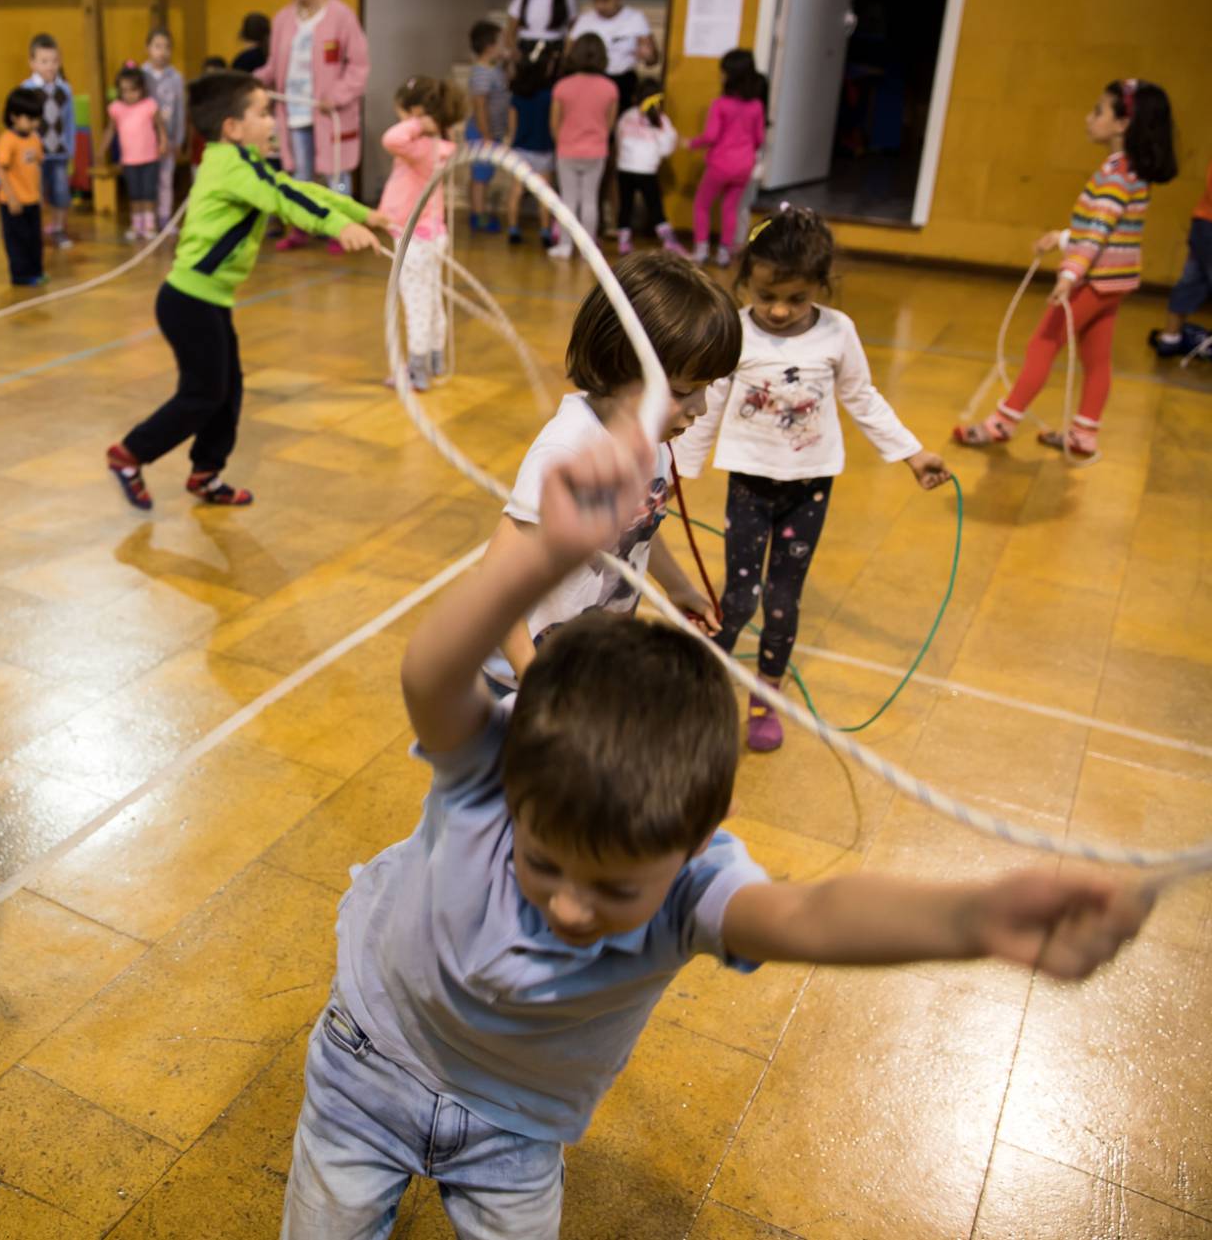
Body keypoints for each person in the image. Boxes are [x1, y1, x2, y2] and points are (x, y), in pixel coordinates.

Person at [281, 416, 1153, 1237]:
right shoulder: (497, 765)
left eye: (617, 887)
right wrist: (537, 556)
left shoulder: (694, 888)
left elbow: (811, 917)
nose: (573, 909)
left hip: (517, 1130)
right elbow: (430, 673)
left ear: (699, 840)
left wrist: (969, 921)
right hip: (368, 1061)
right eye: (544, 864)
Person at [673, 206, 949, 751]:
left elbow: (862, 397)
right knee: (739, 598)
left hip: (809, 487)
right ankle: (701, 692)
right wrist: (679, 467)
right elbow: (711, 398)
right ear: (745, 278)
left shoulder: (837, 333)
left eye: (796, 299)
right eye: (765, 294)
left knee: (782, 600)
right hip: (750, 485)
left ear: (821, 287)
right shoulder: (737, 332)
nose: (778, 310)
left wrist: (911, 453)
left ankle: (764, 697)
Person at [104, 71, 384, 511]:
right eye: (263, 113)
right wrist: (338, 226)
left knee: (228, 389)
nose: (273, 122)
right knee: (202, 394)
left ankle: (206, 473)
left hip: (208, 301)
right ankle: (129, 454)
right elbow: (285, 200)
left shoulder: (238, 163)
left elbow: (295, 189)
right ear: (232, 128)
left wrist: (362, 214)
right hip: (189, 301)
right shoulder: (233, 166)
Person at [479, 250, 731, 697]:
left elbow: (636, 529)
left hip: (585, 663)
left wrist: (679, 589)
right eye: (684, 391)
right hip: (522, 677)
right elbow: (495, 589)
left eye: (708, 389)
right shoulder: (566, 453)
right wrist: (533, 681)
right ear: (620, 367)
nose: (702, 408)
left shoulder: (648, 445)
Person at [955, 79, 1178, 463]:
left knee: (1042, 343)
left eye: (1099, 111)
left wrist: (1068, 276)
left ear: (1122, 124)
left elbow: (1096, 233)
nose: (1089, 118)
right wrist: (1060, 238)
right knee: (1098, 358)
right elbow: (1105, 226)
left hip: (1093, 281)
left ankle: (1003, 423)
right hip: (1116, 281)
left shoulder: (1114, 174)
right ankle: (1084, 435)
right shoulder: (1131, 171)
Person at [255, 0, 371, 253]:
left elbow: (359, 66)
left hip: (329, 114)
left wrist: (338, 95)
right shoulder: (282, 20)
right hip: (293, 113)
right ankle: (302, 227)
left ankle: (342, 230)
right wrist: (254, 81)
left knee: (337, 176)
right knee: (301, 176)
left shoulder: (341, 16)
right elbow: (274, 66)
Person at [381, 76, 465, 392]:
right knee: (430, 301)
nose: (401, 123)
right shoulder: (440, 147)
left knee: (418, 302)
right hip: (429, 234)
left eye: (403, 115)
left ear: (416, 113)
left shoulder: (420, 146)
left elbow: (391, 139)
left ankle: (417, 370)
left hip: (415, 237)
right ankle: (434, 358)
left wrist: (417, 123)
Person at [688, 48, 766, 266]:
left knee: (702, 205)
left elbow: (711, 136)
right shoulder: (757, 106)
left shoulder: (720, 104)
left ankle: (701, 249)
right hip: (744, 165)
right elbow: (759, 138)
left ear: (730, 76)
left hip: (720, 164)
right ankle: (724, 252)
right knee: (730, 208)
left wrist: (691, 143)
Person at [548, 34, 618, 260]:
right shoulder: (610, 88)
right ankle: (589, 250)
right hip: (596, 150)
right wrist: (597, 139)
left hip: (567, 150)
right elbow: (609, 122)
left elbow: (554, 121)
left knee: (568, 199)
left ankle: (565, 246)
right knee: (590, 199)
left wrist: (562, 142)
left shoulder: (563, 86)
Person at [566, 0, 658, 116]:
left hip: (623, 81)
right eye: (595, 0)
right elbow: (568, 55)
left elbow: (653, 59)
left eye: (605, 0)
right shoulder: (585, 20)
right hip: (591, 82)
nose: (600, 5)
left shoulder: (635, 18)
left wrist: (648, 55)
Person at [1149, 156, 1211, 358]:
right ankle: (1170, 338)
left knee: (1191, 280)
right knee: (1192, 280)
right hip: (1207, 225)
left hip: (1203, 223)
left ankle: (1170, 338)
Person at [20, 34, 78, 250]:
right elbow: (21, 124)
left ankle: (59, 228)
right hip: (35, 154)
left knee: (61, 191)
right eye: (44, 61)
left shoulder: (65, 90)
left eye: (54, 61)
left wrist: (70, 148)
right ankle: (33, 230)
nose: (50, 66)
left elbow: (70, 121)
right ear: (33, 63)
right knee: (34, 192)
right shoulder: (26, 89)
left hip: (59, 153)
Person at [614, 79, 683, 255]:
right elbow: (668, 146)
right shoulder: (661, 120)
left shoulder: (627, 115)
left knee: (625, 206)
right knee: (655, 206)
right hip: (647, 171)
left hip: (625, 168)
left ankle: (623, 241)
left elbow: (618, 138)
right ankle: (669, 241)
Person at [502, 43, 560, 247]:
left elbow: (512, 128)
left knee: (516, 191)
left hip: (521, 149)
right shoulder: (550, 96)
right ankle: (545, 231)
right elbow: (554, 124)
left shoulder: (517, 97)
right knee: (544, 193)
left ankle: (513, 229)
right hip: (543, 149)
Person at [109, 65, 169, 243]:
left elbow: (160, 126)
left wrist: (163, 142)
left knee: (149, 192)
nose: (129, 94)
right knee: (134, 193)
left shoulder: (149, 105)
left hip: (150, 158)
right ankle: (137, 224)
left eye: (133, 90)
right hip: (129, 160)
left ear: (142, 89)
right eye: (124, 90)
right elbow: (110, 130)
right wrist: (101, 149)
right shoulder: (116, 108)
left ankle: (150, 225)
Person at [0, 87, 48, 287]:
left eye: (37, 119)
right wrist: (11, 198)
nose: (35, 123)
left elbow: (37, 165)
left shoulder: (34, 138)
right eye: (30, 118)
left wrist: (40, 194)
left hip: (32, 199)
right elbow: (1, 170)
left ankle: (36, 271)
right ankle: (20, 276)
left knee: (34, 240)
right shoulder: (7, 140)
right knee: (17, 241)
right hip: (14, 202)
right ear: (14, 117)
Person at [464, 20, 510, 234]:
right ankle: (478, 215)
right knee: (480, 177)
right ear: (490, 46)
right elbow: (480, 105)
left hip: (493, 132)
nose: (504, 45)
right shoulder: (481, 72)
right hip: (482, 132)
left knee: (485, 175)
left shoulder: (495, 69)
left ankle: (479, 212)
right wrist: (486, 134)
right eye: (501, 42)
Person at [143, 27, 188, 228]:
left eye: (167, 47)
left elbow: (180, 110)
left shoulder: (176, 77)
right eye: (157, 46)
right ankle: (148, 218)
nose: (162, 52)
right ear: (148, 48)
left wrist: (178, 139)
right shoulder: (141, 75)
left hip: (168, 139)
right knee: (148, 180)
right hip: (145, 140)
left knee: (165, 179)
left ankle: (165, 217)